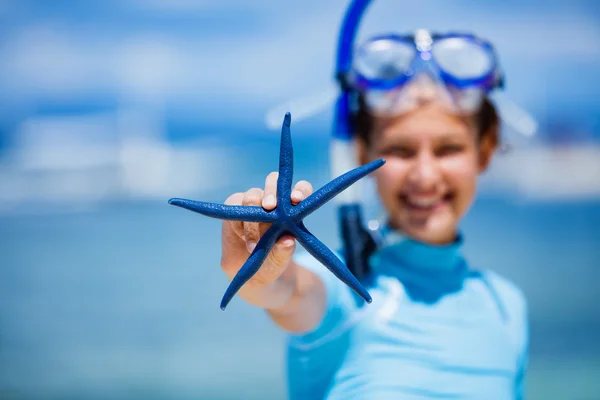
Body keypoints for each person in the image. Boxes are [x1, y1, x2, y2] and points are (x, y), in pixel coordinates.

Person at [219, 29, 529, 399]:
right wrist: (260, 270)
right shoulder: (345, 289)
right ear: (362, 155)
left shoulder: (506, 307)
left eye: (448, 149)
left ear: (486, 149)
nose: (426, 176)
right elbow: (287, 291)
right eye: (400, 150)